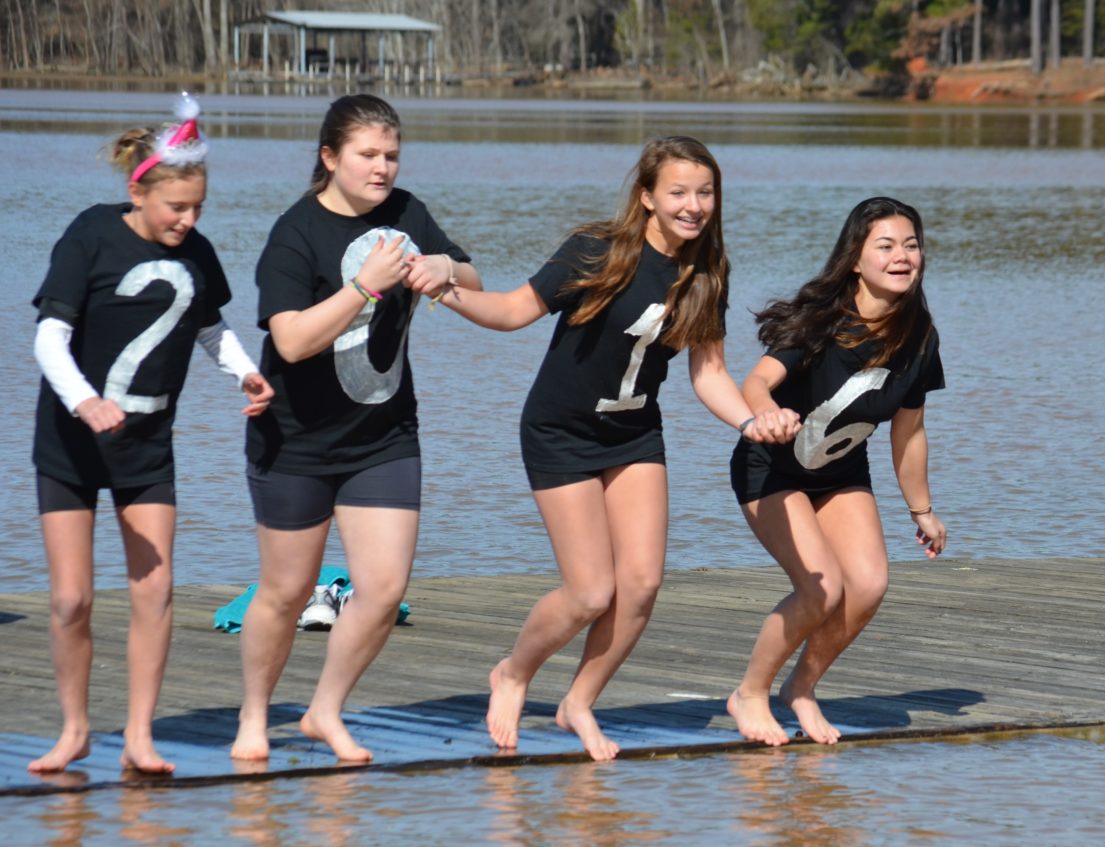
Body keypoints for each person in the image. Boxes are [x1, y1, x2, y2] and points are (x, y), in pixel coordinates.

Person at [435, 135, 795, 761]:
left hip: (633, 435)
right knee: (589, 592)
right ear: (647, 196)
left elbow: (709, 372)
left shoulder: (708, 270)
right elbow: (513, 311)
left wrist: (748, 421)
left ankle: (579, 703)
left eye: (705, 193)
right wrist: (446, 291)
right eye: (678, 192)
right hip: (560, 431)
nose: (693, 205)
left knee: (642, 584)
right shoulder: (595, 250)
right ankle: (513, 674)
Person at [230, 94, 482, 764]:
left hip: (384, 436)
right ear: (329, 157)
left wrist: (447, 269)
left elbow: (474, 278)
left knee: (385, 590)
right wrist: (365, 287)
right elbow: (290, 340)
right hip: (296, 440)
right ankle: (254, 716)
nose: (382, 168)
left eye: (391, 155)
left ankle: (325, 710)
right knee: (285, 592)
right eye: (367, 154)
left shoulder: (408, 213)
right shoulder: (295, 233)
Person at [28, 95, 273, 774]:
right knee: (71, 598)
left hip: (145, 447)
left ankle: (139, 736)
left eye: (197, 208)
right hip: (70, 442)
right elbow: (49, 337)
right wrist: (84, 401)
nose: (187, 220)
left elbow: (209, 328)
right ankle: (75, 730)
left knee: (155, 592)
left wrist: (246, 374)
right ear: (140, 191)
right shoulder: (90, 234)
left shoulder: (197, 252)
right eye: (176, 208)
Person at [726, 196, 948, 747]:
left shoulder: (919, 335)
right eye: (886, 246)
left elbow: (909, 432)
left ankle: (800, 689)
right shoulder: (820, 321)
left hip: (840, 473)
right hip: (771, 469)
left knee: (868, 584)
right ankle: (749, 693)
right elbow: (756, 382)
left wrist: (921, 509)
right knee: (820, 587)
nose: (902, 256)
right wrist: (764, 412)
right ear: (855, 258)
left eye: (911, 245)